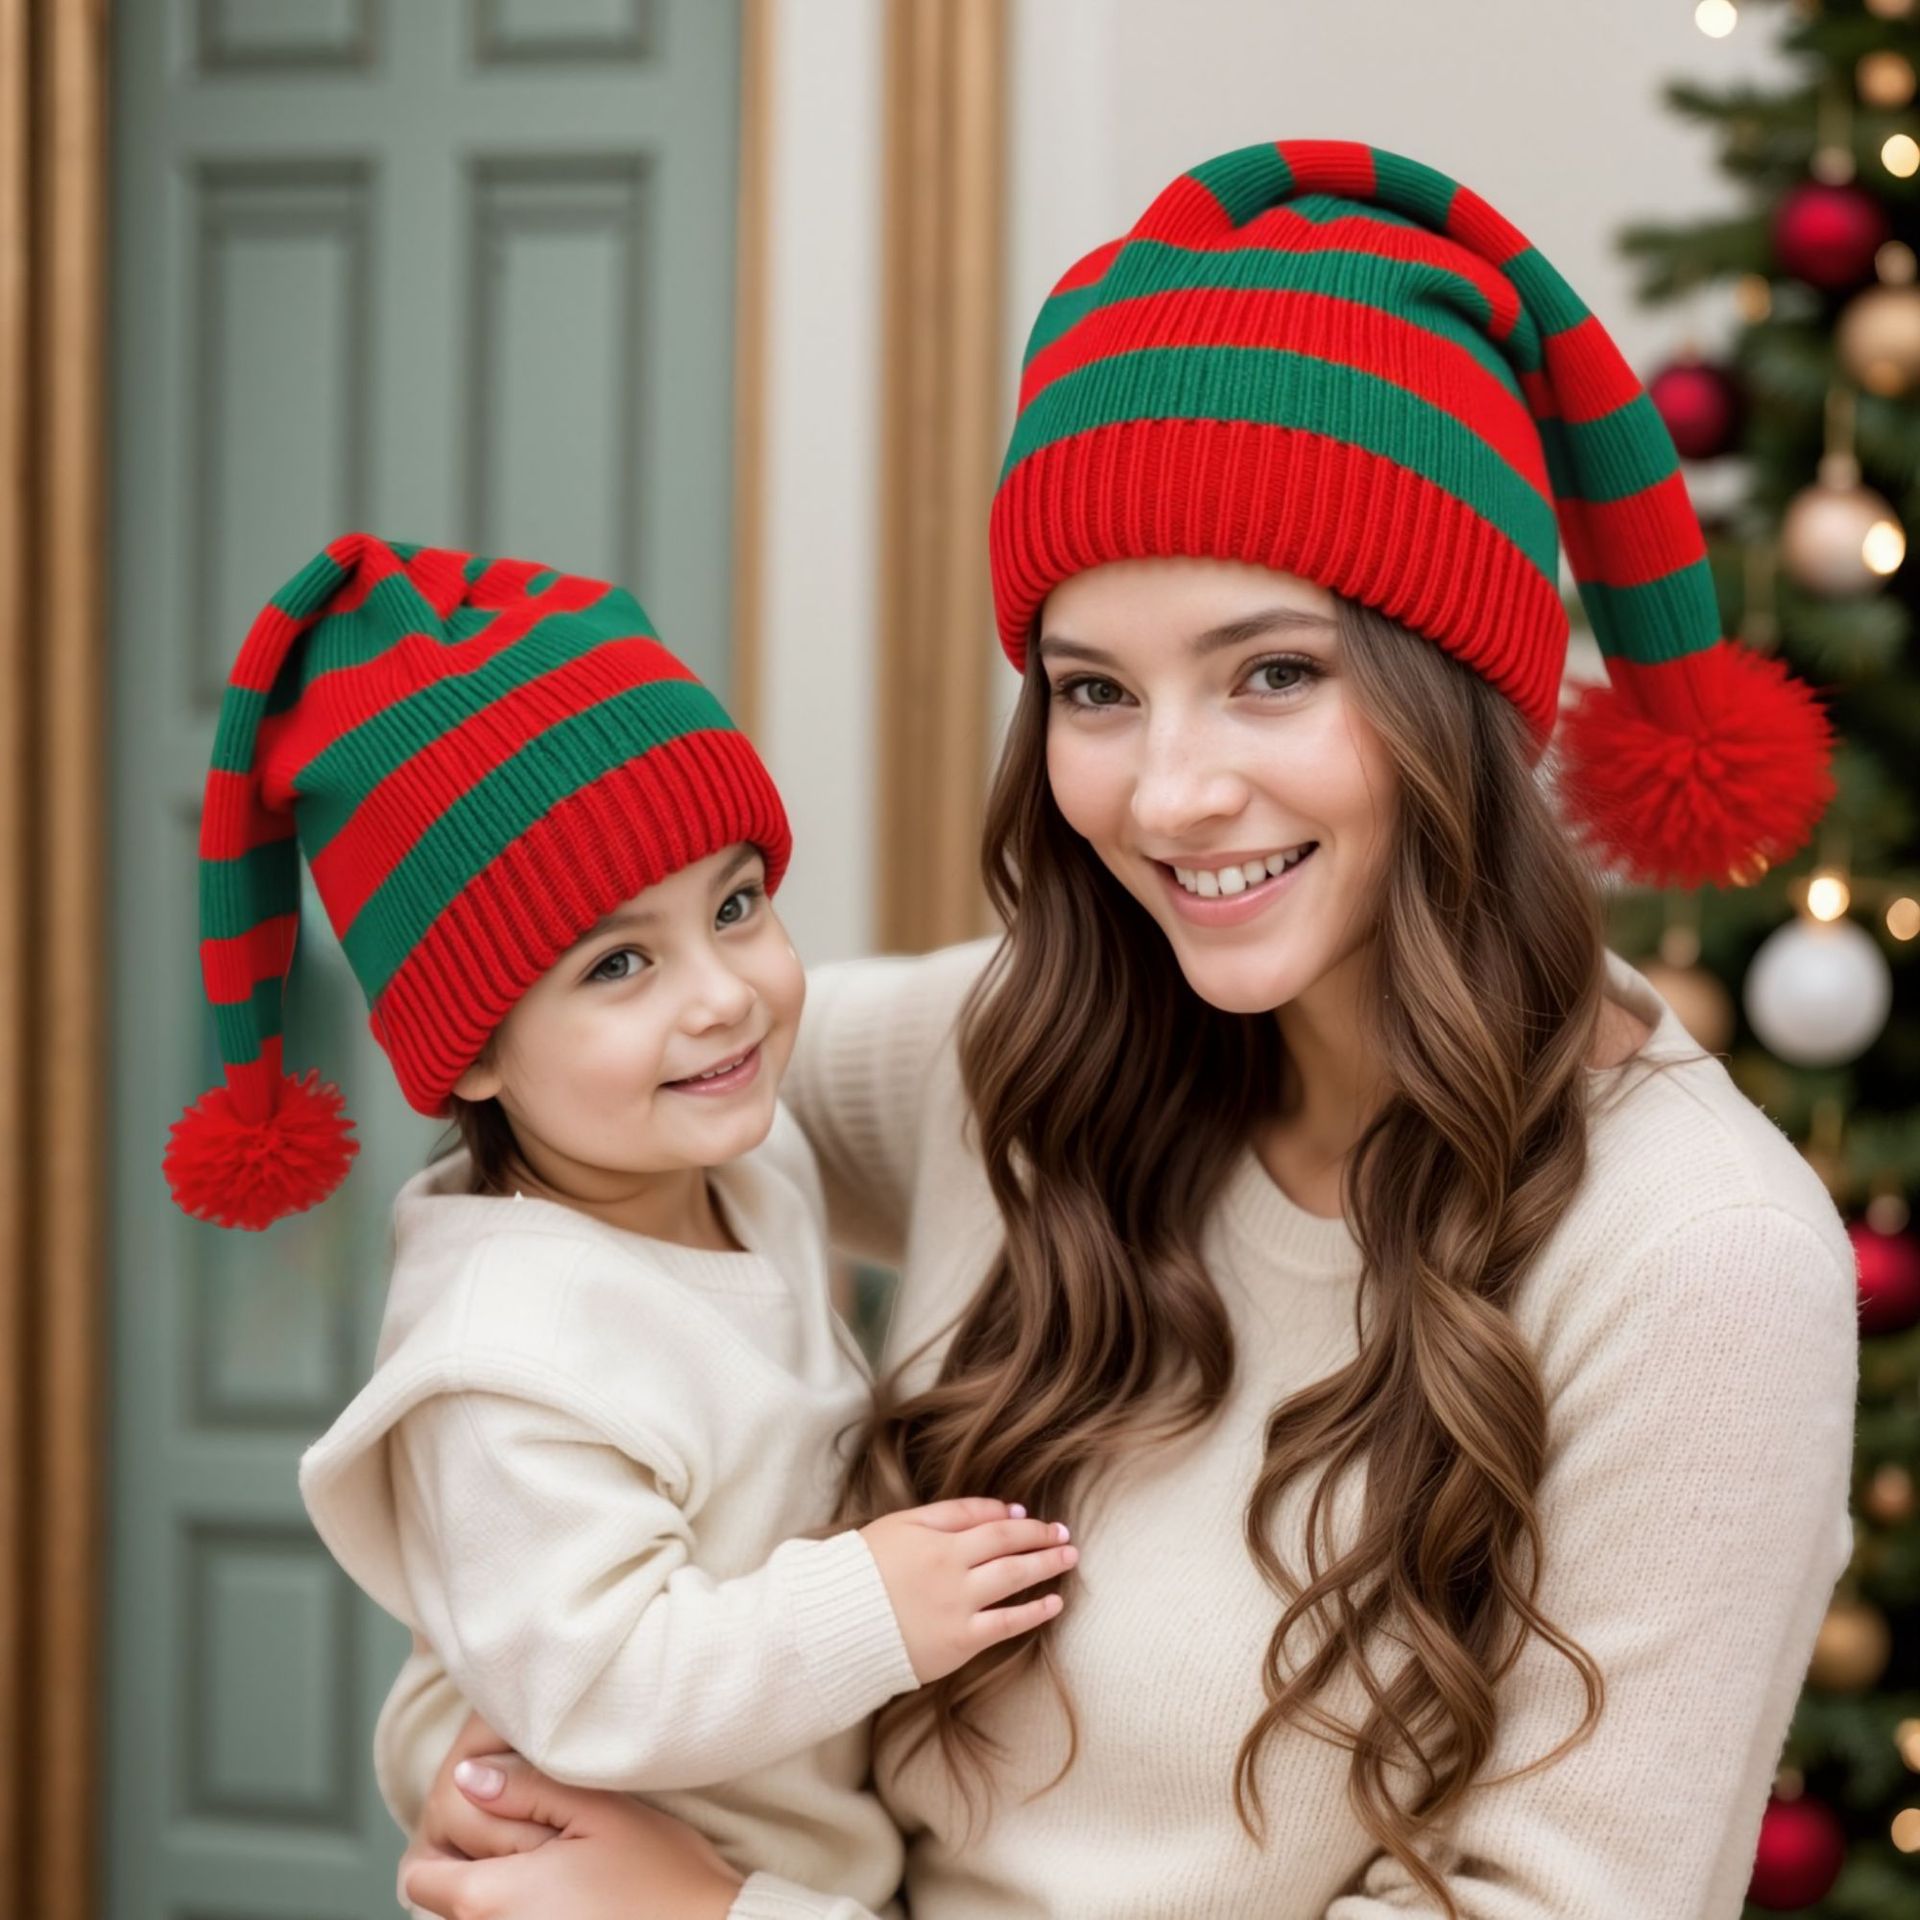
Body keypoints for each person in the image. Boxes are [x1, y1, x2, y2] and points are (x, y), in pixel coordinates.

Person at [398, 141, 1859, 1920]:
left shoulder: (1696, 1258)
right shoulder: (1015, 1052)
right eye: (1094, 690)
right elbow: (563, 1169)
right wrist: (500, 1723)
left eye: (1274, 672)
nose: (1168, 792)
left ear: (1456, 694)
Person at [162, 533, 1079, 1920]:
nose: (721, 995)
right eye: (620, 963)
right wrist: (870, 1606)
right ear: (469, 1054)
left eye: (737, 904)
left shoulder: (743, 1170)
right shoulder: (511, 1348)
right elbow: (594, 1681)